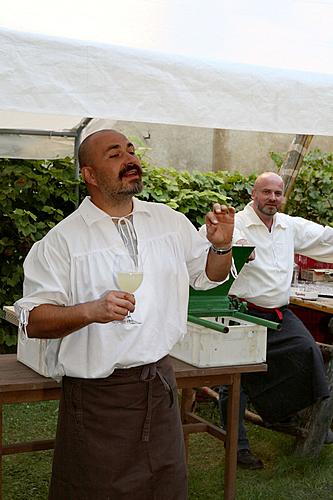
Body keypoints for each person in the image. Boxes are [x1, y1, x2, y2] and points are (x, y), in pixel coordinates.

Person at [14, 129, 235, 500]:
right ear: (89, 174)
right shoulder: (61, 241)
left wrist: (222, 246)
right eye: (114, 154)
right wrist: (90, 311)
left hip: (159, 385)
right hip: (99, 399)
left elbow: (208, 276)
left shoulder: (168, 221)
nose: (130, 159)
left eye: (131, 151)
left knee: (164, 488)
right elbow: (34, 320)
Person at [219, 171, 333, 470]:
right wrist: (235, 247)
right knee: (236, 381)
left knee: (307, 352)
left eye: (277, 193)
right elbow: (220, 246)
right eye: (266, 192)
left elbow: (325, 238)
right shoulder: (237, 224)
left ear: (283, 197)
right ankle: (238, 446)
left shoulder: (288, 225)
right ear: (253, 194)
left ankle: (287, 415)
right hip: (241, 313)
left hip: (279, 313)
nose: (272, 198)